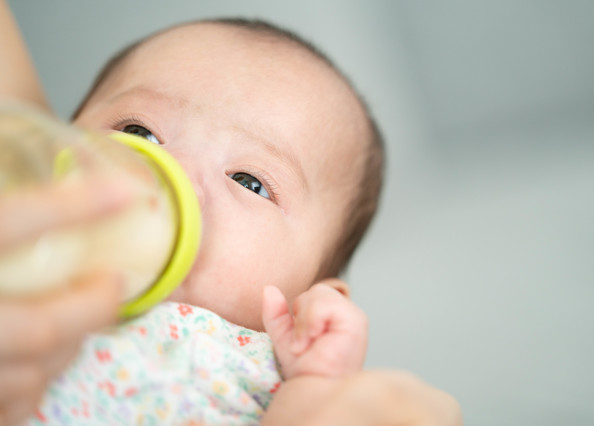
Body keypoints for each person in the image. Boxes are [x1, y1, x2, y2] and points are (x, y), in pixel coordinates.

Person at [0, 2, 463, 425]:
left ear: (308, 305)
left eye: (250, 182)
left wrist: (315, 386)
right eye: (139, 131)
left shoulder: (265, 378)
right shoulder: (27, 248)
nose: (172, 174)